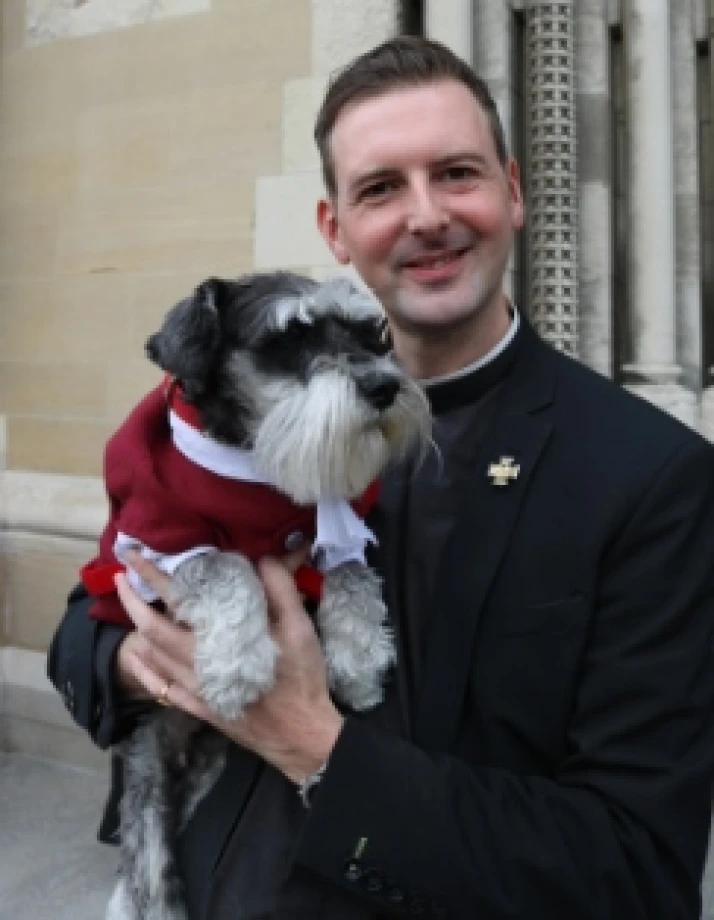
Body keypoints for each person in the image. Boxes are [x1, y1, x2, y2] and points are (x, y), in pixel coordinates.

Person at [48, 36, 714, 920]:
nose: (426, 215)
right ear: (334, 227)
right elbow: (78, 637)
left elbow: (633, 868)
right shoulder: (228, 426)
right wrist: (146, 663)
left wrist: (317, 746)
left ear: (513, 192)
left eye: (458, 173)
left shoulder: (652, 476)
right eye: (380, 188)